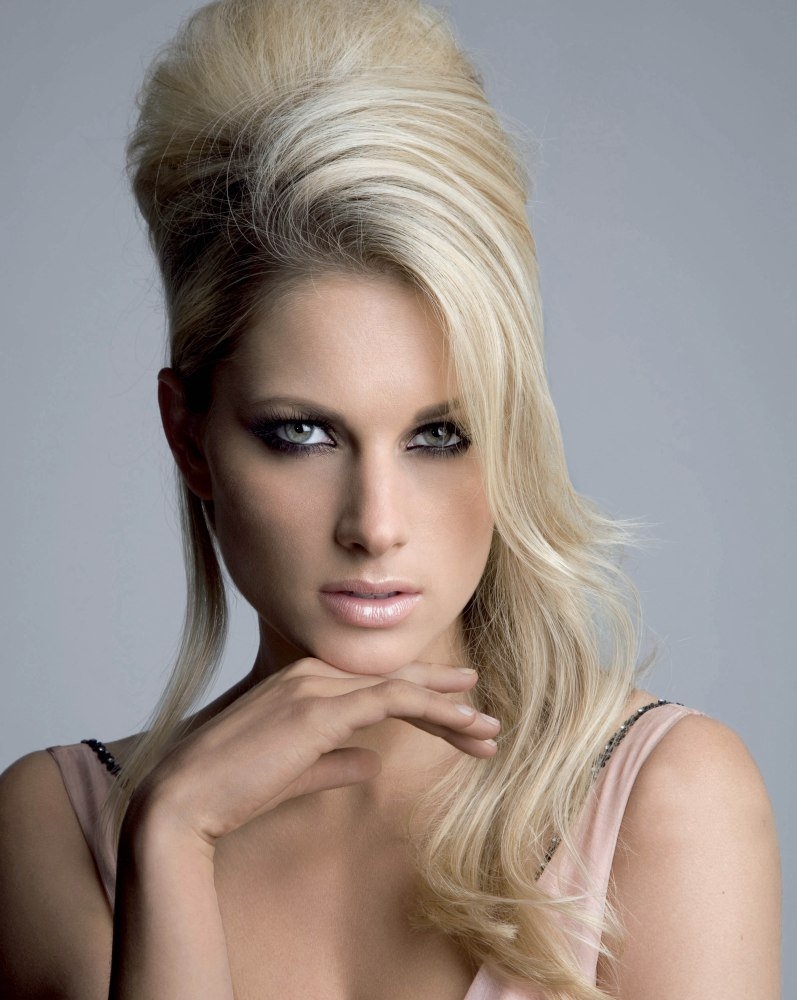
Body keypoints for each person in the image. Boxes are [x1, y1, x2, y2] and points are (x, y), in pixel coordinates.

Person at [0, 1, 781, 997]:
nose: (374, 525)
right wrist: (173, 838)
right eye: (302, 434)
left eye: (437, 436)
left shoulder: (662, 797)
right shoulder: (59, 827)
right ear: (189, 436)